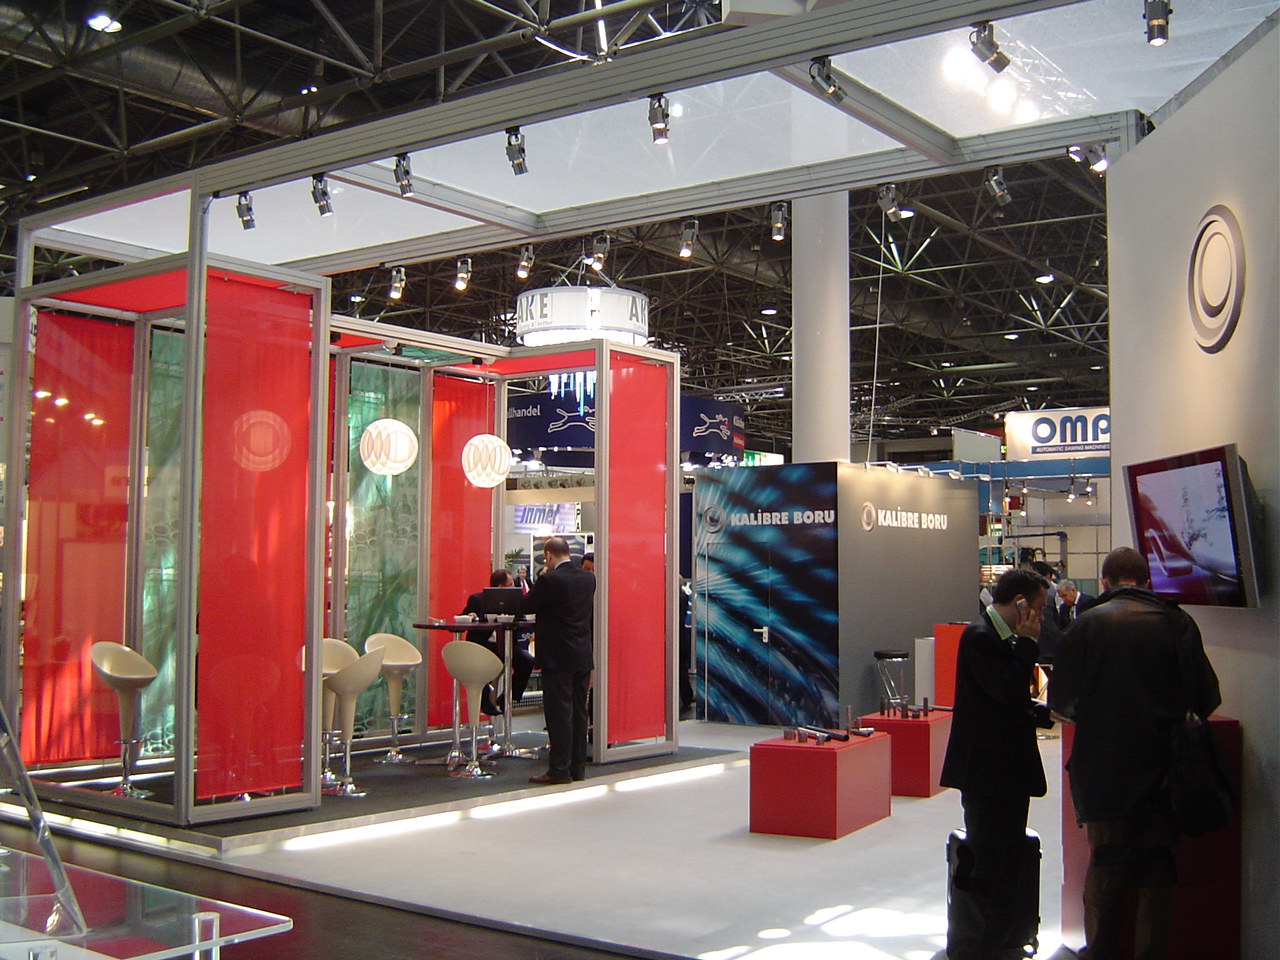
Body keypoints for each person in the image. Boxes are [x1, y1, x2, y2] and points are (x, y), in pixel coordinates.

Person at [1048, 547, 1221, 960]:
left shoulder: (1086, 625)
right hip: (1165, 772)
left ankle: (1100, 953)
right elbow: (1207, 697)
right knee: (1157, 875)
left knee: (1105, 870)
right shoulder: (1177, 623)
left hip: (1103, 773)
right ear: (1147, 582)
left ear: (1104, 582)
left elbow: (1062, 704)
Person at [940, 567, 1053, 960]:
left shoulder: (1001, 638)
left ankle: (1003, 940)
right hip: (986, 774)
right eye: (1038, 608)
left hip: (1009, 771)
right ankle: (980, 945)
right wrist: (1028, 644)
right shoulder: (981, 637)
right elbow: (1005, 689)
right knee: (987, 859)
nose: (1041, 617)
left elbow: (1009, 701)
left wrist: (1043, 713)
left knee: (1009, 857)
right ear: (1020, 604)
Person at [521, 536, 595, 785]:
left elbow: (527, 605)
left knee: (559, 713)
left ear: (548, 555)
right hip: (582, 654)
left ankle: (559, 769)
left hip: (557, 655)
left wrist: (541, 580)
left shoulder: (549, 579)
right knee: (579, 712)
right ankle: (577, 767)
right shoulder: (588, 579)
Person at [461, 568, 535, 717]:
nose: (514, 587)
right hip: (483, 645)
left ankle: (508, 697)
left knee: (527, 661)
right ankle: (485, 700)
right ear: (501, 587)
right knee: (483, 667)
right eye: (511, 584)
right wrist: (471, 615)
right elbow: (465, 616)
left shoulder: (514, 602)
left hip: (506, 644)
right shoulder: (477, 599)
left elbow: (521, 619)